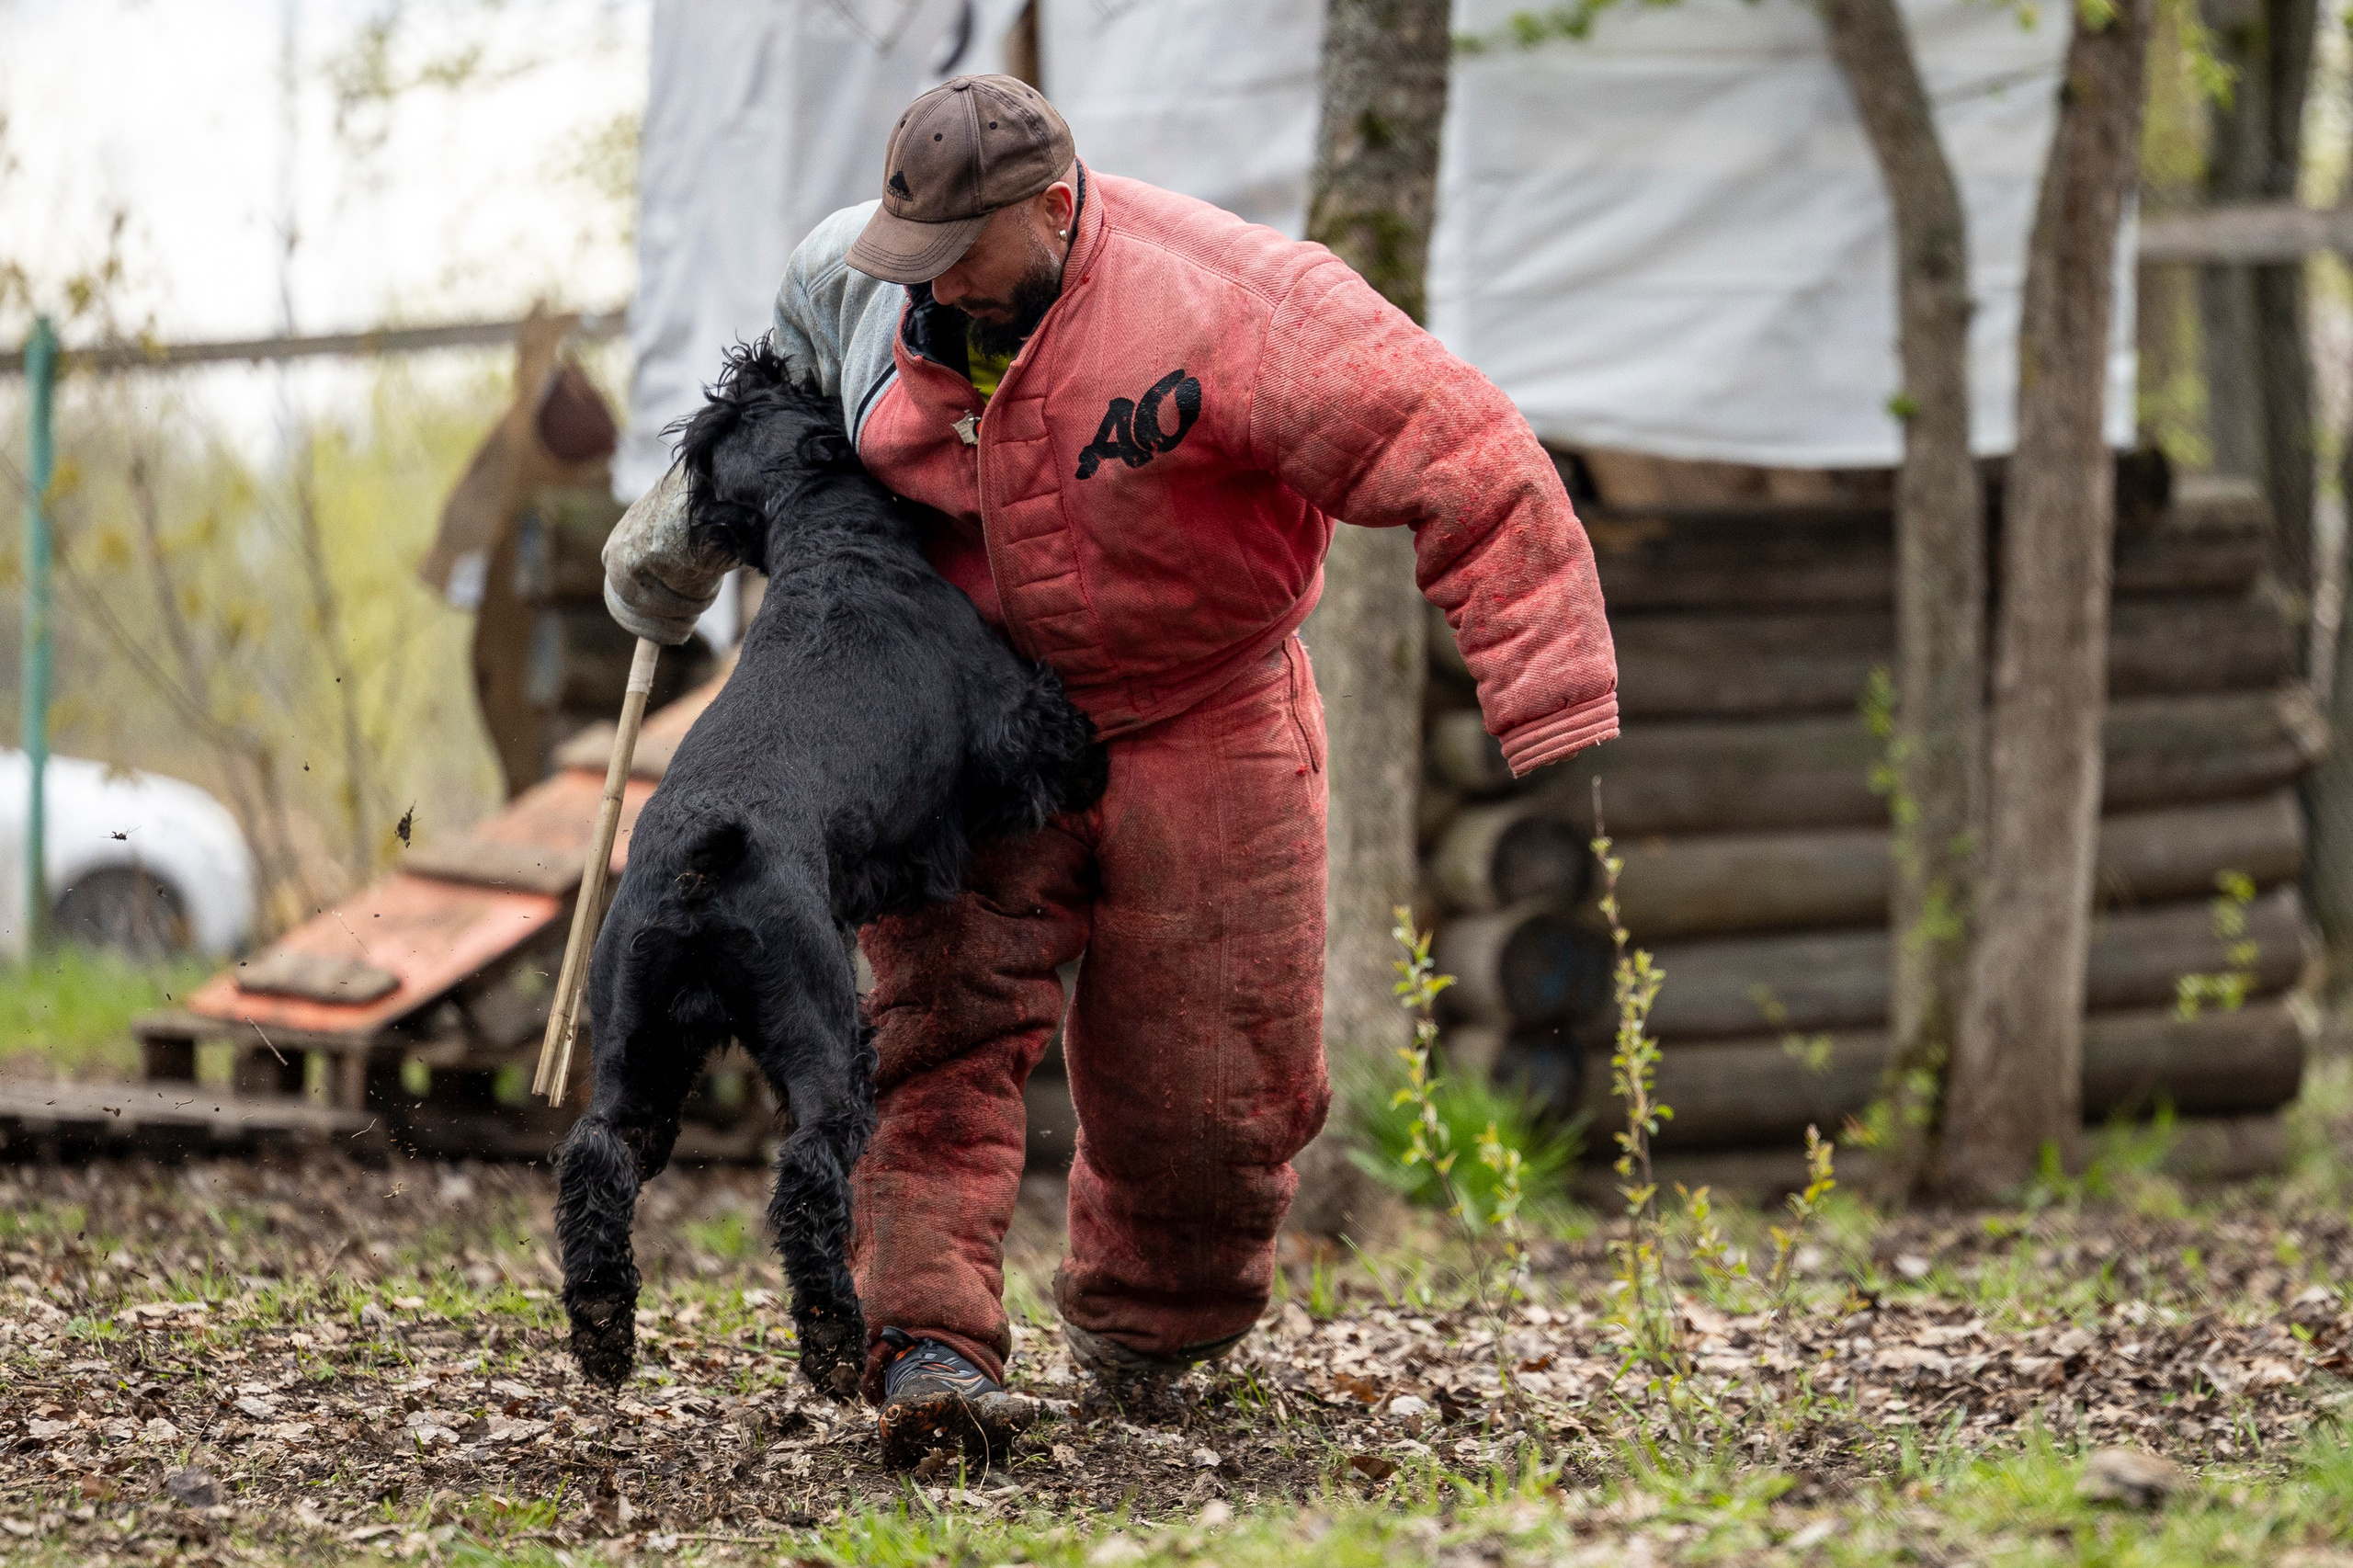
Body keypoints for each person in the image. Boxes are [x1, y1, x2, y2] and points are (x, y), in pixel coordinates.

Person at [603, 74, 1619, 1468]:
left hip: (1204, 709)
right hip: (968, 718)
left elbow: (1459, 442)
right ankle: (929, 1350)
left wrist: (1548, 687)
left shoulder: (1234, 301)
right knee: (931, 1032)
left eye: (964, 254)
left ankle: (1147, 1333)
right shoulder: (855, 278)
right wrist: (662, 553)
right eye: (915, 256)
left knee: (1214, 1092)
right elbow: (767, 405)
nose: (935, 289)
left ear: (1058, 210)